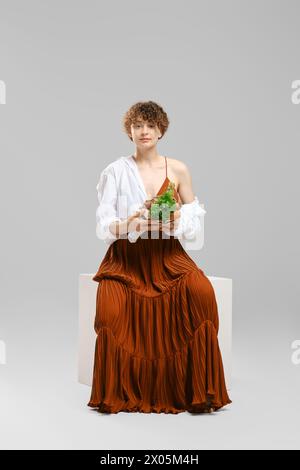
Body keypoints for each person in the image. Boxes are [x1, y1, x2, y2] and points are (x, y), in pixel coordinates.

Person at [87, 100, 232, 414]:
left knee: (201, 292)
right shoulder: (114, 171)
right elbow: (103, 225)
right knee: (110, 310)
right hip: (127, 258)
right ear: (129, 130)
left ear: (161, 130)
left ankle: (198, 389)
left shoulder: (178, 168)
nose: (144, 131)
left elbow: (195, 225)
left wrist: (178, 219)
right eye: (137, 125)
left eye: (150, 125)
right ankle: (116, 391)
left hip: (168, 255)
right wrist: (131, 223)